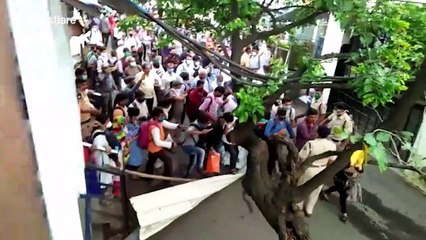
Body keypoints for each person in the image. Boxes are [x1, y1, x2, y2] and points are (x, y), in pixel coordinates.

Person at [296, 126, 337, 217]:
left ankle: (298, 205)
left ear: (317, 132)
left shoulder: (311, 144)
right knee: (316, 190)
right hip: (322, 169)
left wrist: (298, 166)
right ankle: (309, 209)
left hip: (309, 168)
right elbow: (332, 160)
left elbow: (302, 157)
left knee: (302, 187)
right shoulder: (332, 146)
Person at [322, 144, 366, 222]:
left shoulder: (359, 157)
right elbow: (342, 167)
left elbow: (361, 169)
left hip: (349, 180)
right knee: (343, 194)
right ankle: (344, 212)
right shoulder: (347, 156)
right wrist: (352, 169)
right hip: (340, 177)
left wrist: (355, 169)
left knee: (339, 189)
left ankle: (326, 192)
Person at [145, 107, 181, 179]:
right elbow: (157, 142)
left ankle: (147, 176)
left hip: (152, 147)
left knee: (151, 161)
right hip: (156, 148)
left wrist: (178, 126)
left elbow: (167, 124)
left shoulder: (156, 121)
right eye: (161, 116)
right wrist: (171, 144)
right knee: (168, 160)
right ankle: (167, 179)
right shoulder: (154, 128)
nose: (163, 117)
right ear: (156, 117)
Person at [264, 108, 295, 175]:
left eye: (284, 115)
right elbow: (266, 133)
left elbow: (290, 131)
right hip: (273, 141)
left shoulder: (285, 121)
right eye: (281, 115)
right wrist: (277, 133)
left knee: (292, 150)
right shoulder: (272, 121)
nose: (282, 117)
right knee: (273, 157)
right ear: (278, 115)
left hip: (283, 140)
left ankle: (288, 166)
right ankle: (270, 172)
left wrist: (292, 136)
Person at [125, 107, 145, 177]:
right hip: (132, 145)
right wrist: (137, 136)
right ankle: (132, 175)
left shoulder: (132, 121)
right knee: (134, 159)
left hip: (135, 144)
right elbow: (129, 137)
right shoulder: (128, 125)